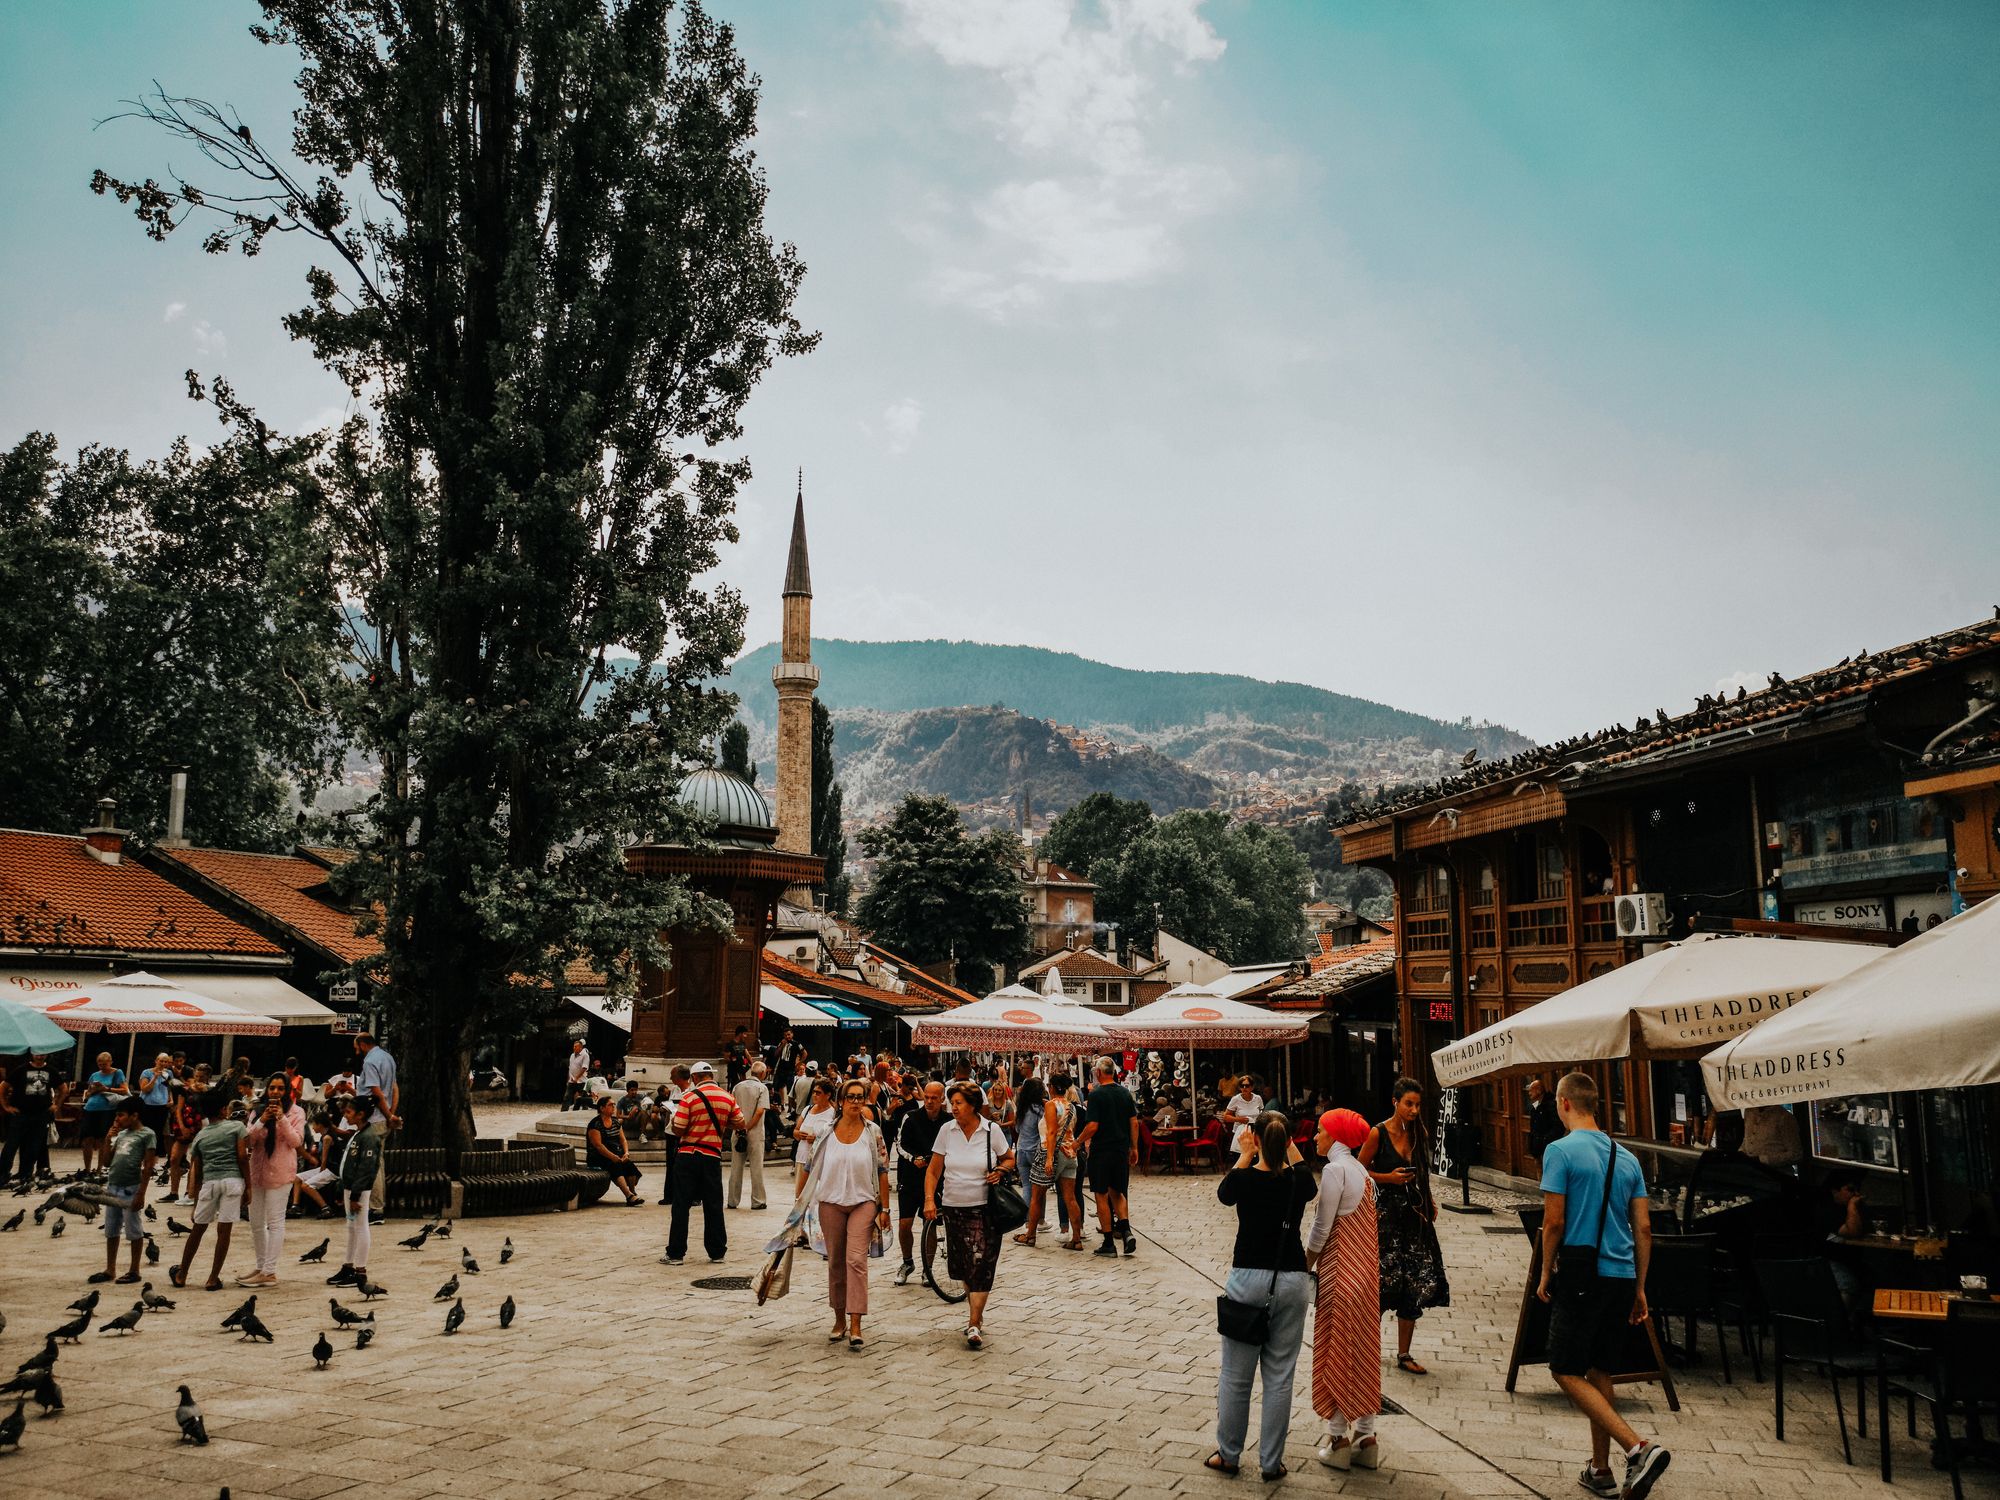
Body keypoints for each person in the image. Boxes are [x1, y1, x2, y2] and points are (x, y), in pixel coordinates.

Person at [1537, 1071, 1671, 1500]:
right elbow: (1644, 1229)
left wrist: (1544, 1272)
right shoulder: (1627, 1158)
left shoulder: (1559, 1151)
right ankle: (1600, 1470)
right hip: (1622, 1275)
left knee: (1563, 1368)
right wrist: (1640, 1288)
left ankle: (1637, 1448)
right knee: (1600, 1369)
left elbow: (1554, 1221)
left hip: (1581, 1273)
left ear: (1564, 1104)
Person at [1208, 1110, 1317, 1482]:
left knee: (1237, 1376)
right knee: (1280, 1376)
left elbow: (1225, 1194)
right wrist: (1286, 1144)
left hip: (1247, 1278)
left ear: (1254, 1137)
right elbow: (1305, 1174)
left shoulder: (1244, 1180)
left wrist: (1244, 1153)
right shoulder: (1299, 1182)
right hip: (1292, 1279)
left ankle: (1229, 1454)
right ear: (1288, 1141)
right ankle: (1272, 1462)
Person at [1307, 1108, 1383, 1472]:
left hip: (1341, 1272)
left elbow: (1322, 1229)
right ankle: (1366, 1437)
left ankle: (1337, 1437)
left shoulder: (1334, 1171)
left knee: (1336, 1349)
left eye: (1320, 1131)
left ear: (1335, 1136)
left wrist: (1305, 1262)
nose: (1315, 1137)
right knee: (1363, 1351)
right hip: (1367, 1276)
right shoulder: (1363, 1173)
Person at [1359, 1077, 1450, 1374]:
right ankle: (1364, 1349)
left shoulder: (1418, 1133)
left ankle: (1404, 1354)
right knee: (1383, 1281)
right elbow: (1360, 1169)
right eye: (1409, 1104)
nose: (1414, 1110)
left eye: (1418, 1104)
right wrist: (1389, 1178)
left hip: (1415, 1217)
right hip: (1386, 1217)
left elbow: (1422, 1171)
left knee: (1414, 1280)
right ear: (1395, 1102)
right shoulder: (1378, 1133)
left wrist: (1430, 1200)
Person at [923, 1082, 1015, 1349]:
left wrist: (1000, 1170)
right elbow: (933, 1171)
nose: (954, 1108)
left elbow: (1009, 1158)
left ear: (973, 1105)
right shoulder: (946, 1131)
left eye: (959, 1103)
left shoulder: (991, 1131)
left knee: (982, 1263)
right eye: (952, 1103)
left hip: (985, 1206)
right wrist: (930, 1198)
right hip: (953, 1206)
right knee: (964, 1264)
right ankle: (977, 1313)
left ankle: (974, 1322)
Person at [812, 1080, 892, 1349]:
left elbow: (882, 1170)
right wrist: (799, 1206)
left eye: (861, 1098)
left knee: (856, 1260)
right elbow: (811, 1168)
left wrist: (885, 1209)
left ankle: (856, 1323)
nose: (857, 1102)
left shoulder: (873, 1132)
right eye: (851, 1097)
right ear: (841, 1101)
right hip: (831, 1202)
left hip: (863, 1202)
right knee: (835, 1260)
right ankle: (838, 1319)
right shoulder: (826, 1131)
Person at [662, 1061, 744, 1265]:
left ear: (695, 1078)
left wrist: (675, 1122)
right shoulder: (727, 1097)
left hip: (688, 1154)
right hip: (712, 1156)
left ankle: (676, 1253)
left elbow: (679, 1128)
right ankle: (717, 1252)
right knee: (713, 1203)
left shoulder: (689, 1098)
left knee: (681, 1204)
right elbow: (740, 1122)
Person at [172, 1087, 248, 1291]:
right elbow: (242, 1157)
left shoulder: (200, 1136)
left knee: (197, 1229)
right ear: (224, 1110)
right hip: (232, 1181)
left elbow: (197, 1171)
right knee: (224, 1231)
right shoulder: (236, 1128)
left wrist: (195, 1201)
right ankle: (212, 1278)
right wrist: (248, 1185)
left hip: (209, 1184)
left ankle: (182, 1274)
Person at [241, 1073, 307, 1287]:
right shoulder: (257, 1110)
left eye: (280, 1088)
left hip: (280, 1172)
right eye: (272, 1088)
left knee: (275, 1222)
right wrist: (262, 1120)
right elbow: (248, 1140)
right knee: (256, 1222)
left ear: (286, 1090)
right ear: (267, 1090)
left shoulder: (297, 1112)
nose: (276, 1092)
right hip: (258, 1171)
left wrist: (281, 1118)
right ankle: (261, 1266)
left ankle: (270, 1271)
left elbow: (296, 1141)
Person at [89, 1095, 156, 1287]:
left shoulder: (147, 1134)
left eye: (121, 1115)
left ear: (134, 1116)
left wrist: (141, 1193)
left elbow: (149, 1165)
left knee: (134, 1229)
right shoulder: (120, 1134)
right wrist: (108, 1139)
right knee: (111, 1229)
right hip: (113, 1186)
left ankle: (134, 1269)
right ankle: (110, 1268)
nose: (117, 1119)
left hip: (131, 1187)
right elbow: (107, 1162)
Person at [1076, 1056, 1139, 1259]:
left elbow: (1093, 1125)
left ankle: (1109, 1242)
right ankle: (1127, 1231)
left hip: (1102, 1150)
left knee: (1101, 1194)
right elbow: (1134, 1122)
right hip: (1121, 1149)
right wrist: (1134, 1147)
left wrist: (1077, 1142)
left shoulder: (1096, 1095)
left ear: (1099, 1073)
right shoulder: (1124, 1093)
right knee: (1118, 1192)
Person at [893, 1080, 948, 1285]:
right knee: (904, 1224)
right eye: (926, 1097)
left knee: (930, 1223)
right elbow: (900, 1144)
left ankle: (928, 1267)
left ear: (942, 1099)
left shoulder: (947, 1121)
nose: (929, 1101)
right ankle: (907, 1262)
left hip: (935, 1179)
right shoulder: (911, 1117)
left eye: (934, 1098)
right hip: (910, 1176)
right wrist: (913, 1158)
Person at [327, 1096, 384, 1290]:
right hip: (350, 1188)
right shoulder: (357, 1134)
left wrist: (355, 1196)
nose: (346, 1114)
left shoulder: (369, 1137)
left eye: (349, 1112)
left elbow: (367, 1169)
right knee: (351, 1227)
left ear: (361, 1114)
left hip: (358, 1192)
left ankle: (360, 1270)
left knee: (361, 1227)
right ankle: (348, 1265)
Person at [0, 1050, 62, 1186]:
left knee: (32, 1147)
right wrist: (6, 1106)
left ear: (46, 1055)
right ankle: (2, 1174)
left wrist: (56, 1104)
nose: (39, 1056)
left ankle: (25, 1175)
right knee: (11, 1145)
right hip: (20, 1113)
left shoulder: (51, 1071)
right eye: (37, 1053)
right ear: (32, 1055)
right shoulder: (21, 1070)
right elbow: (3, 1087)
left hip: (40, 1115)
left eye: (42, 1054)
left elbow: (63, 1089)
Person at [162, 1063, 210, 1203]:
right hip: (184, 1126)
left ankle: (190, 1192)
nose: (199, 1079)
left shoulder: (209, 1091)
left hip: (200, 1126)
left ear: (207, 1077)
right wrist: (182, 1126)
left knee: (195, 1160)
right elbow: (179, 1108)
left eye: (202, 1077)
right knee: (174, 1158)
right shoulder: (185, 1089)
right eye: (197, 1076)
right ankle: (173, 1192)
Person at [586, 1095, 645, 1205]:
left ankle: (632, 1192)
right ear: (602, 1108)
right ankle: (628, 1196)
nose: (613, 1107)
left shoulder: (616, 1122)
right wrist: (612, 1157)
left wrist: (626, 1153)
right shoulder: (595, 1124)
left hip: (615, 1154)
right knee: (615, 1165)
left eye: (614, 1104)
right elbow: (599, 1146)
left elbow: (623, 1140)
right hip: (598, 1157)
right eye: (610, 1105)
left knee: (629, 1165)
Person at [729, 1060, 771, 1211]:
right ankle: (758, 1200)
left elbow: (731, 1109)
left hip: (737, 1131)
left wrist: (739, 1128)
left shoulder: (737, 1087)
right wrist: (747, 1128)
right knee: (756, 1168)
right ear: (762, 1073)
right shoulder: (762, 1088)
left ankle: (732, 1200)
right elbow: (760, 1112)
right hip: (755, 1133)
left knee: (735, 1167)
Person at [78, 1050, 128, 1176]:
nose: (102, 1066)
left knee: (103, 1139)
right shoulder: (95, 1075)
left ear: (110, 1062)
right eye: (100, 1064)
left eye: (105, 1064)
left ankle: (100, 1168)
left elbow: (124, 1090)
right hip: (90, 1108)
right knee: (86, 1139)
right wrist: (93, 1091)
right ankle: (87, 1169)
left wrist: (106, 1089)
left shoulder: (117, 1072)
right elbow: (88, 1093)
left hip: (106, 1109)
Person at [1010, 1074, 1046, 1243]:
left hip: (1021, 1150)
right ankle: (1038, 1220)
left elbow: (1017, 1128)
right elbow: (1043, 1130)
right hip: (1035, 1151)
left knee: (1027, 1188)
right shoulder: (1040, 1110)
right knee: (1038, 1190)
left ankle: (1027, 1221)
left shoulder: (1022, 1108)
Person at [793, 1076, 839, 1198]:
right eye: (813, 1092)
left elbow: (836, 1139)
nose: (814, 1095)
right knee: (800, 1196)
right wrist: (799, 1134)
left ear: (828, 1095)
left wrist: (817, 1139)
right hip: (802, 1158)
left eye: (818, 1093)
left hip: (820, 1161)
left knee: (816, 1197)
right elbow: (796, 1131)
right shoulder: (808, 1109)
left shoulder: (833, 1114)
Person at [137, 1053, 175, 1149]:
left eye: (165, 1061)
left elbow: (169, 1087)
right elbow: (145, 1089)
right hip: (147, 1105)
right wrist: (154, 1077)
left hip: (162, 1105)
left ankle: (154, 1155)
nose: (163, 1063)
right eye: (161, 1061)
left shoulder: (168, 1073)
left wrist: (171, 1099)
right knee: (146, 1130)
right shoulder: (146, 1072)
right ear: (156, 1061)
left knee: (159, 1132)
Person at [1224, 1075, 1265, 1154]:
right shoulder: (1235, 1099)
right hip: (1241, 1133)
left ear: (1252, 1087)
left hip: (1255, 1131)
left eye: (1247, 1085)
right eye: (1242, 1086)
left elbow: (1262, 1113)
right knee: (1243, 1157)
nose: (1244, 1088)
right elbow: (1226, 1117)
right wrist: (1239, 1119)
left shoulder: (1258, 1098)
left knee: (1256, 1157)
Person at [1526, 1076, 1561, 1167]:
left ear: (1539, 1090)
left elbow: (1557, 1126)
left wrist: (1545, 1140)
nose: (1529, 1093)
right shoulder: (1535, 1105)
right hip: (1538, 1149)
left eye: (1531, 1090)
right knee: (1540, 1172)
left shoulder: (1551, 1105)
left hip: (1548, 1147)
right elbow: (1534, 1126)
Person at [563, 1039, 591, 1110]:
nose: (574, 1048)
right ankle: (563, 1112)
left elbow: (584, 1068)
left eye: (576, 1046)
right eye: (574, 1046)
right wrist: (568, 1079)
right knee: (567, 1097)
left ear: (580, 1048)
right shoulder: (572, 1055)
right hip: (571, 1081)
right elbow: (570, 1068)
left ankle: (584, 1113)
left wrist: (577, 1078)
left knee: (583, 1099)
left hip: (581, 1081)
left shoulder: (585, 1055)